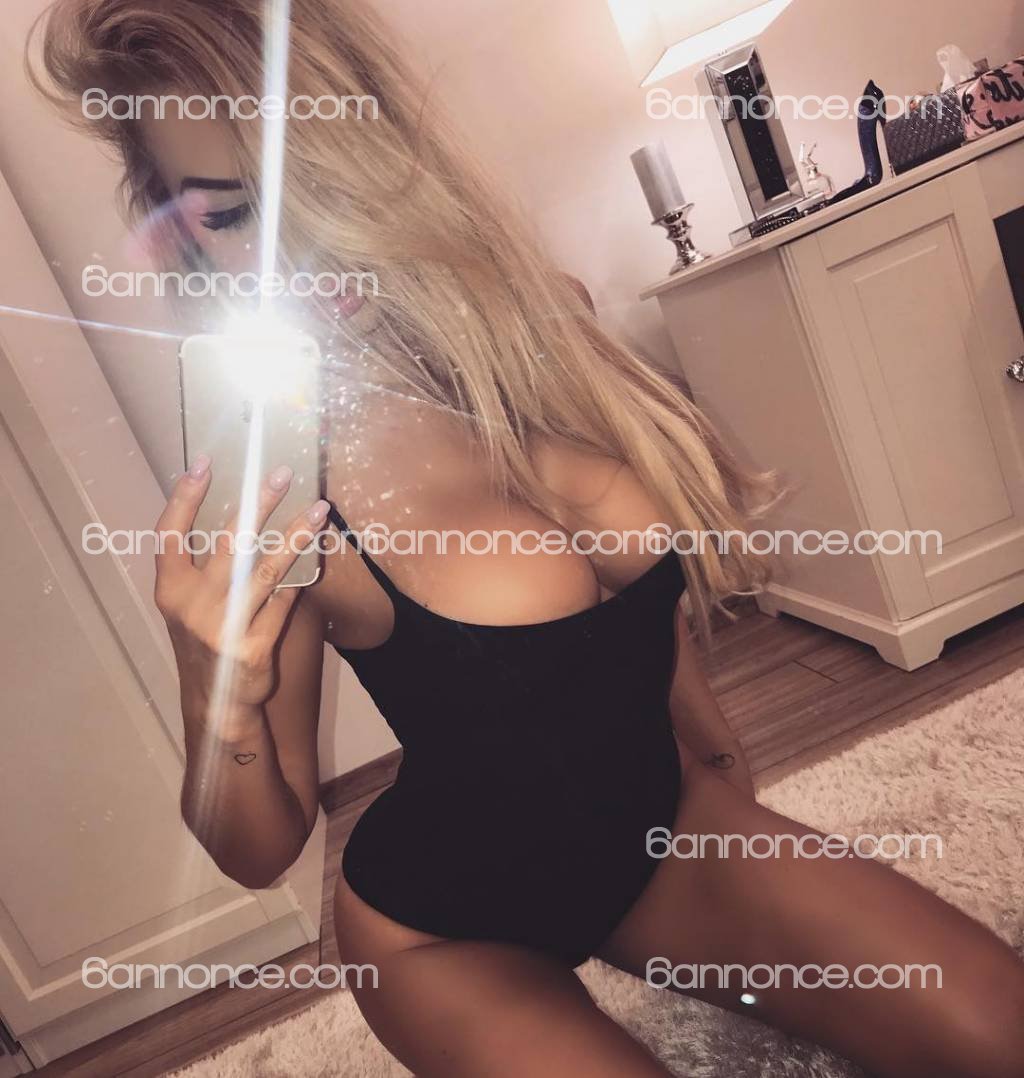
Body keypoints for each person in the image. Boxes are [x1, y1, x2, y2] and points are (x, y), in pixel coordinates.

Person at [32, 2, 1024, 1075]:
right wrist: (211, 692)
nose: (306, 251)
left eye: (319, 183)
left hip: (662, 830)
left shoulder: (546, 331)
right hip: (445, 930)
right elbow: (260, 849)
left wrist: (722, 778)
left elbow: (647, 628)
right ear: (184, 237)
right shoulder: (277, 483)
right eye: (234, 215)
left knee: (997, 1025)